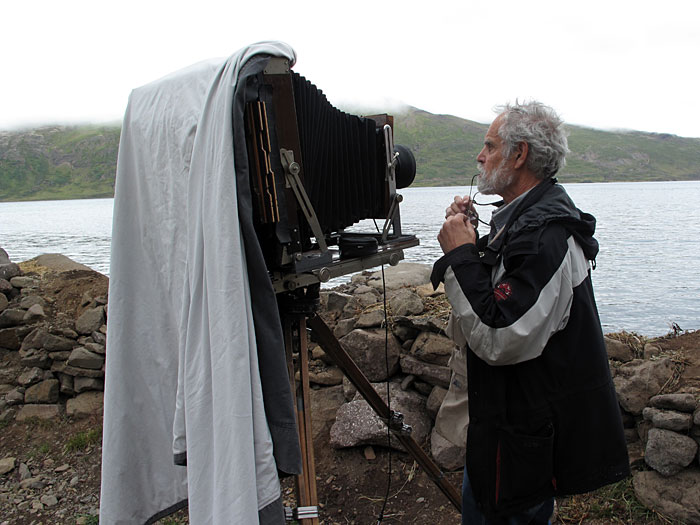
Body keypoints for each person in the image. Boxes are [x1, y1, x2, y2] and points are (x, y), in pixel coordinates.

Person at [430, 101, 630, 524]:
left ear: (519, 155)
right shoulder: (525, 222)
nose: (479, 156)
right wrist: (474, 240)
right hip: (503, 434)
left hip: (521, 450)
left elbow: (501, 334)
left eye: (489, 146)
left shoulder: (547, 235)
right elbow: (507, 290)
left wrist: (462, 255)